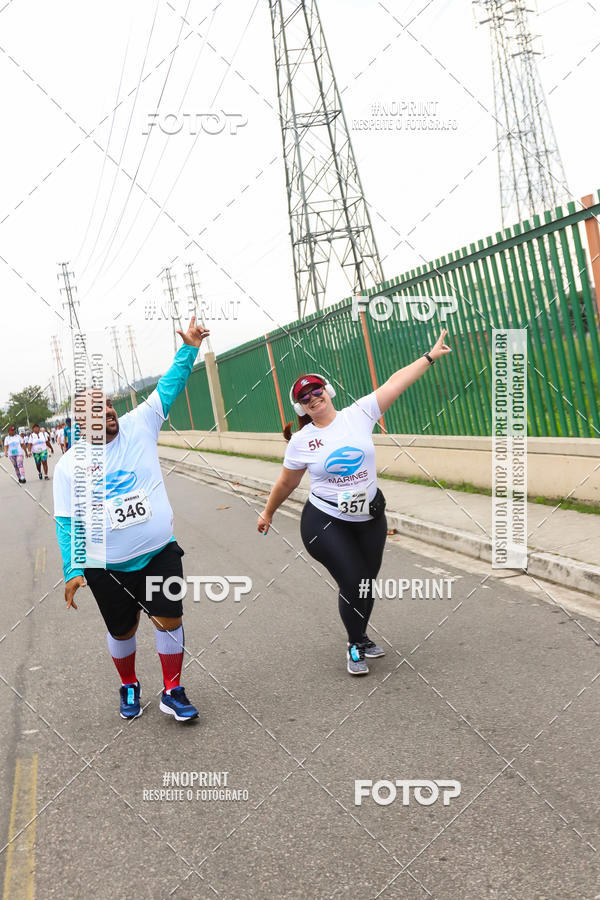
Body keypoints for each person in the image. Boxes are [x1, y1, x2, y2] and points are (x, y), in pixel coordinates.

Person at [257, 329, 452, 676]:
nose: (313, 399)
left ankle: (360, 635)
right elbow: (287, 481)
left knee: (365, 582)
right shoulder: (302, 441)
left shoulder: (358, 414)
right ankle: (353, 645)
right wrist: (268, 512)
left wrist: (429, 357)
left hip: (369, 516)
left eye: (316, 391)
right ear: (301, 407)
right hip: (325, 521)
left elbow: (395, 382)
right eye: (305, 398)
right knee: (353, 579)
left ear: (327, 392)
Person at [53, 317, 210, 722]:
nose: (106, 412)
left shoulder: (139, 425)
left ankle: (172, 690)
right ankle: (128, 684)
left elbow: (169, 386)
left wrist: (190, 347)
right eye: (94, 410)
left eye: (107, 404)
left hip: (159, 552)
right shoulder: (70, 466)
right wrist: (72, 568)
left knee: (168, 618)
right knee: (123, 631)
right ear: (78, 422)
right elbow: (68, 523)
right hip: (106, 565)